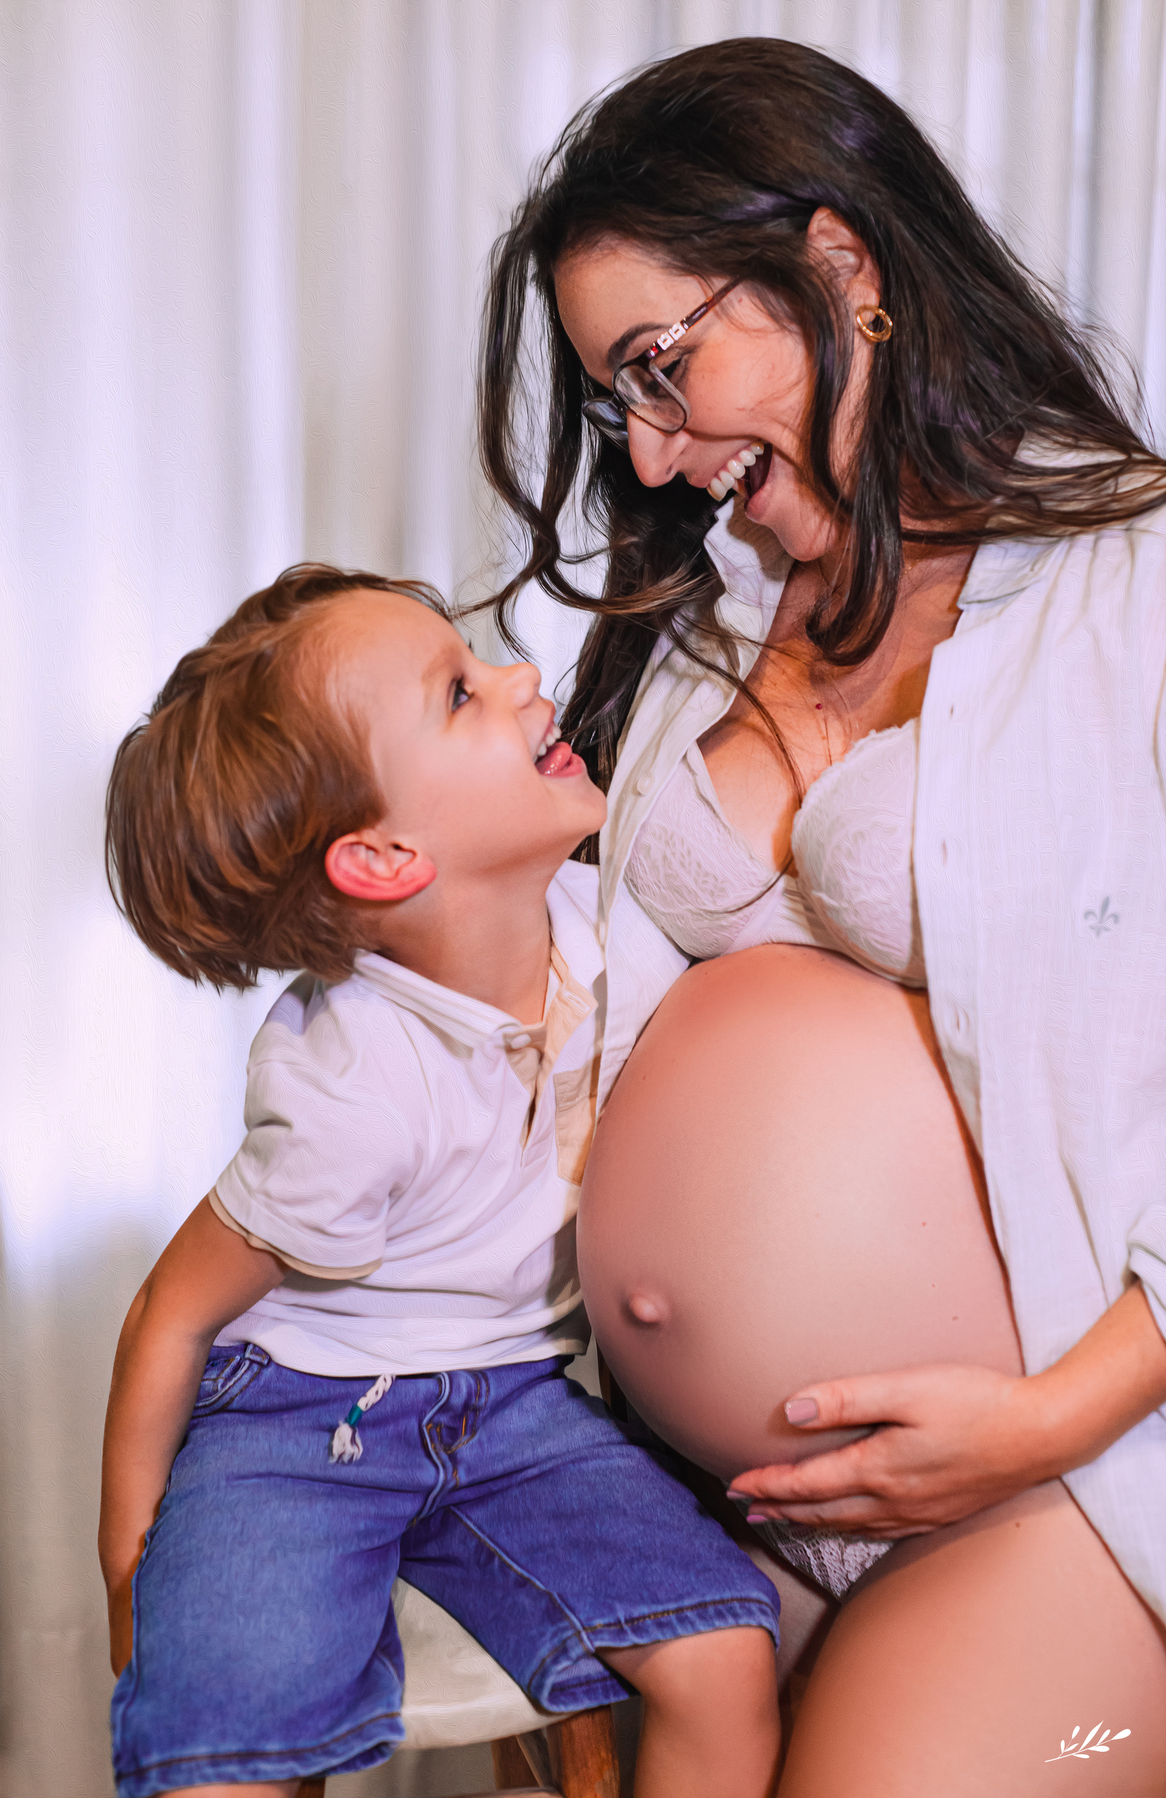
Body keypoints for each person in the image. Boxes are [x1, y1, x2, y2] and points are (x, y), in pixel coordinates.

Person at [477, 35, 1166, 1796]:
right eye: (614, 396)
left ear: (842, 269)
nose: (645, 441)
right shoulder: (688, 633)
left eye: (661, 364)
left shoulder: (1132, 584)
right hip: (682, 1495)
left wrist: (1048, 1415)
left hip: (1048, 1485)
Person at [98, 562, 784, 1798]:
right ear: (383, 856)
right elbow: (173, 1310)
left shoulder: (608, 928)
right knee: (225, 1748)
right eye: (462, 694)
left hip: (514, 1407)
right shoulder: (348, 1086)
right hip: (301, 1421)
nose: (525, 680)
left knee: (726, 1652)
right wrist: (130, 1563)